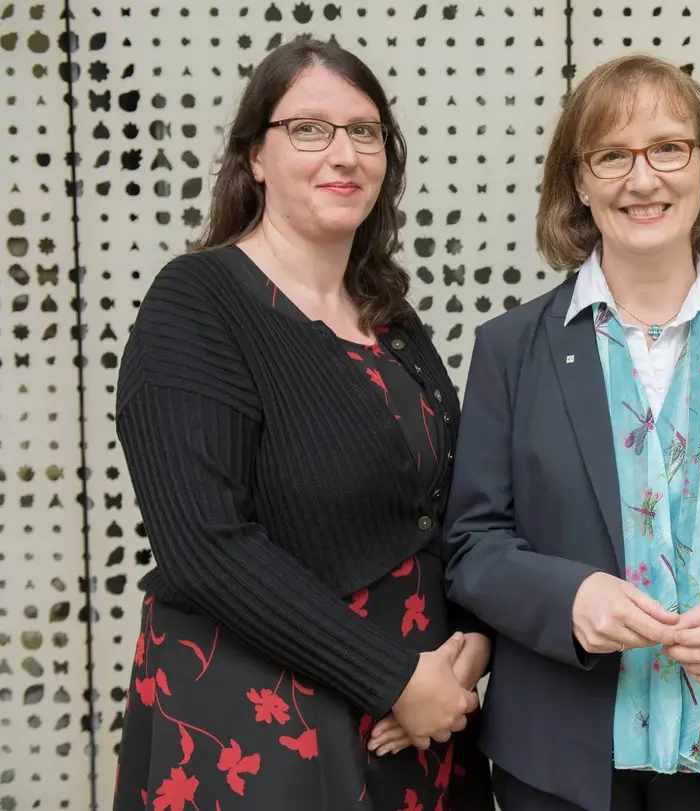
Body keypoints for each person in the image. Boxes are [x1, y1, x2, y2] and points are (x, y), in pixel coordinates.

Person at [442, 54, 700, 811]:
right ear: (580, 181)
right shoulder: (509, 349)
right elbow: (472, 543)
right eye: (612, 155)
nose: (643, 177)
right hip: (557, 760)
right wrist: (570, 598)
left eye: (667, 148)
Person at [112, 38, 493, 811]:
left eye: (365, 130)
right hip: (266, 722)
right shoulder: (197, 303)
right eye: (309, 129)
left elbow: (449, 506)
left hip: (420, 718)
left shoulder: (391, 317)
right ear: (255, 155)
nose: (344, 153)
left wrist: (472, 645)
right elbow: (204, 544)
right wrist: (392, 677)